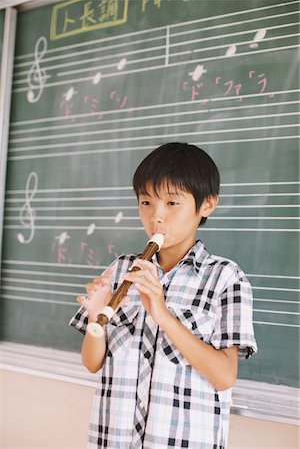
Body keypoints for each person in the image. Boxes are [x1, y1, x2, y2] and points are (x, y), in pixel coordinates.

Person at [70, 142, 257, 449]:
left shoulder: (225, 277)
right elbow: (92, 363)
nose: (156, 217)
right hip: (112, 440)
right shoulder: (120, 271)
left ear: (207, 204)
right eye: (146, 202)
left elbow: (224, 376)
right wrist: (96, 319)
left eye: (172, 203)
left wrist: (162, 315)